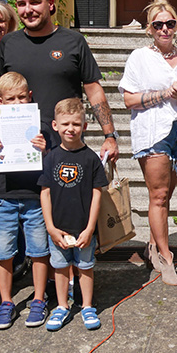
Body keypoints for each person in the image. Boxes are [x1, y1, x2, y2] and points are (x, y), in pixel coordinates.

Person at [119, 0, 177, 285]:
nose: (164, 29)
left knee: (166, 194)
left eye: (170, 23)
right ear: (149, 28)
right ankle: (166, 258)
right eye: (158, 25)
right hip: (153, 132)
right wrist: (165, 94)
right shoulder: (140, 58)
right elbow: (129, 99)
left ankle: (154, 246)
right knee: (158, 196)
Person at [0, 0, 119, 161]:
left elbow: (93, 89)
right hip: (21, 150)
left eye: (35, 2)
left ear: (50, 4)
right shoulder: (8, 43)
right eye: (22, 4)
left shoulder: (74, 41)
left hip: (66, 146)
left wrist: (109, 136)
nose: (28, 10)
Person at [0, 72, 50, 329]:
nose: (18, 103)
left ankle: (39, 299)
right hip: (3, 199)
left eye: (22, 97)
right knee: (4, 253)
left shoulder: (39, 126)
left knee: (39, 251)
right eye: (11, 99)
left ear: (30, 97)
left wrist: (45, 150)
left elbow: (50, 164)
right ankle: (6, 302)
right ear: (0, 101)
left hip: (34, 197)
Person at [39, 98, 108, 331]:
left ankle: (87, 306)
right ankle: (62, 306)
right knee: (59, 267)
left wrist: (90, 228)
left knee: (86, 266)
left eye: (76, 124)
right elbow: (45, 193)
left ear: (85, 126)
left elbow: (97, 195)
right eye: (65, 123)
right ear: (55, 125)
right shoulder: (50, 158)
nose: (71, 129)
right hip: (58, 228)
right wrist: (50, 227)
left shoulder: (91, 159)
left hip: (83, 227)